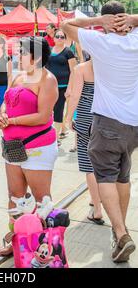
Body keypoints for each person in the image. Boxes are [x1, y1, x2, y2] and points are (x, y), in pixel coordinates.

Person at [62, 1, 138, 264]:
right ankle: (121, 234)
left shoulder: (100, 42)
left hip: (107, 122)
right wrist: (131, 20)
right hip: (133, 125)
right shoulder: (135, 40)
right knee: (123, 176)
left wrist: (97, 21)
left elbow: (65, 25)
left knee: (104, 175)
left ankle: (120, 231)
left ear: (106, 23)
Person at [0, 36, 58, 256]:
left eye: (22, 52)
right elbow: (5, 102)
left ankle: (45, 246)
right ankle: (17, 241)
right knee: (15, 196)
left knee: (42, 201)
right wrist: (2, 115)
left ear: (36, 56)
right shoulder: (18, 76)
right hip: (12, 147)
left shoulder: (47, 79)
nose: (18, 55)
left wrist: (11, 121)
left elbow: (42, 116)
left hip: (37, 147)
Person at [65, 60, 104, 225]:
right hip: (107, 119)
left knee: (89, 166)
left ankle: (97, 210)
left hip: (86, 119)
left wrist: (68, 117)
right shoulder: (111, 66)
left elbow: (75, 95)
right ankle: (100, 198)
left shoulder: (81, 68)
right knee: (104, 164)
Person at [46, 30, 77, 143]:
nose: (59, 38)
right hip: (49, 86)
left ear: (65, 39)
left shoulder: (68, 52)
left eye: (62, 37)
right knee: (49, 110)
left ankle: (56, 138)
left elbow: (73, 71)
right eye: (57, 36)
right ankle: (56, 131)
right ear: (53, 38)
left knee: (58, 110)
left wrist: (70, 87)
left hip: (63, 86)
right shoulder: (49, 50)